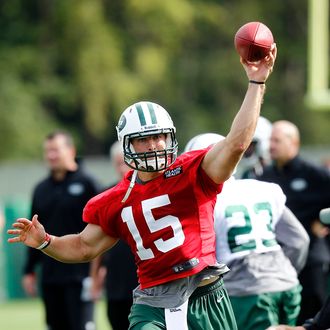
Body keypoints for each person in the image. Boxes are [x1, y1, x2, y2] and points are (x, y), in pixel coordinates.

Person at [7, 44, 276, 330]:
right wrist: (46, 241)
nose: (154, 145)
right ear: (126, 145)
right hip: (152, 301)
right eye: (143, 140)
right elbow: (84, 246)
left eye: (159, 137)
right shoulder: (115, 198)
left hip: (204, 292)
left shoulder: (192, 171)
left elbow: (236, 143)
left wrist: (256, 82)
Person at [184, 133, 310, 330]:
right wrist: (277, 274)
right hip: (287, 284)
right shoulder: (262, 188)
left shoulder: (205, 201)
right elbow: (299, 240)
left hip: (247, 293)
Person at [21, 131, 101, 330]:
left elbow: (104, 230)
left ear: (71, 150)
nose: (51, 155)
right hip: (51, 277)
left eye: (55, 150)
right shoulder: (40, 189)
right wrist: (29, 270)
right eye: (47, 151)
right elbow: (32, 232)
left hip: (80, 276)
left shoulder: (89, 184)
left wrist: (99, 271)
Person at [257, 120, 330, 324]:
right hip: (276, 259)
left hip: (311, 260)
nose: (271, 145)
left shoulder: (315, 174)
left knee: (313, 316)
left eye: (277, 140)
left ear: (294, 143)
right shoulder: (265, 177)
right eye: (271, 140)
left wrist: (322, 222)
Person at [90, 141, 138, 330]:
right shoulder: (106, 196)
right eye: (117, 163)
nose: (121, 168)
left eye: (124, 162)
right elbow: (94, 243)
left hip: (144, 280)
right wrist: (94, 277)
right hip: (116, 281)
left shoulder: (148, 192)